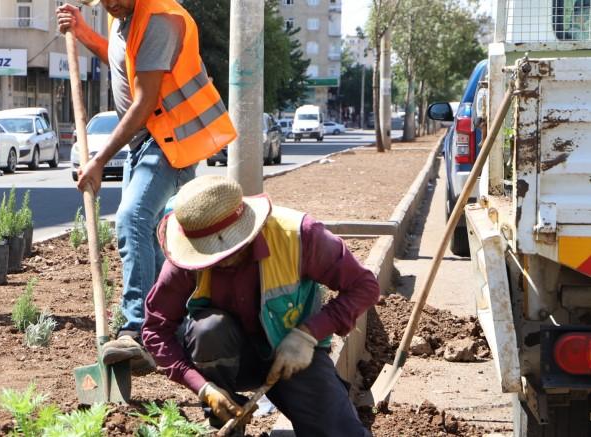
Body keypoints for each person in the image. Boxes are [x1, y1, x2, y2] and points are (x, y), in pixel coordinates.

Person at [57, 0, 236, 371]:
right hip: (146, 141)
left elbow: (145, 100)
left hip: (169, 139)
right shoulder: (123, 18)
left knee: (132, 219)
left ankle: (137, 329)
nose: (110, 3)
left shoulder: (157, 21)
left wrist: (98, 160)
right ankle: (162, 332)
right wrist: (82, 31)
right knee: (155, 236)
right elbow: (123, 63)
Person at [142, 175, 379, 436]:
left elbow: (364, 286)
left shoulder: (298, 236)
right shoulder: (187, 258)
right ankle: (226, 421)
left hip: (292, 353)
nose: (218, 261)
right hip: (228, 359)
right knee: (208, 330)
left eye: (226, 250)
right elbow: (156, 330)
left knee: (339, 432)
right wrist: (203, 387)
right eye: (208, 253)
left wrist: (308, 335)